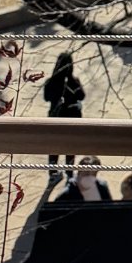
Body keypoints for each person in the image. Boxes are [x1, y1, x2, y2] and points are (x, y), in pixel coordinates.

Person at [42, 50, 85, 178]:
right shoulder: (73, 81)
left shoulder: (52, 81)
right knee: (70, 146)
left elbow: (46, 97)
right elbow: (81, 96)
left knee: (55, 146)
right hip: (70, 118)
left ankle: (54, 172)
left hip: (58, 118)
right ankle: (68, 172)